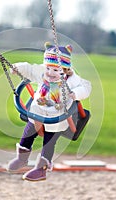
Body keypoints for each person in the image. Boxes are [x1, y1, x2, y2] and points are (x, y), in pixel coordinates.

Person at [7, 42, 91, 181]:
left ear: (65, 70)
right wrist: (17, 68)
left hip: (57, 117)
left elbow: (86, 87)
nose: (50, 73)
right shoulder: (42, 73)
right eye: (48, 68)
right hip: (38, 112)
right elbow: (29, 69)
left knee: (49, 143)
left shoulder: (72, 80)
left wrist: (76, 93)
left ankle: (41, 169)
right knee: (27, 135)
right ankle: (21, 159)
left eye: (56, 70)